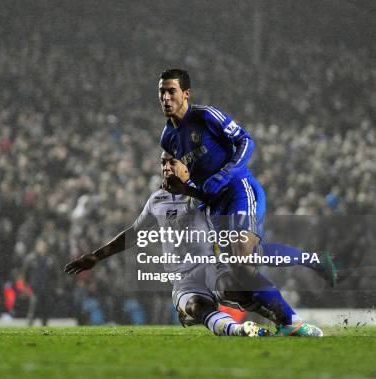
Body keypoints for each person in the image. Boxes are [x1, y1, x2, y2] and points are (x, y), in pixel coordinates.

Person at [66, 152, 321, 336]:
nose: (166, 167)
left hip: (212, 266)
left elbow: (225, 199)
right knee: (196, 307)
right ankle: (241, 331)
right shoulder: (157, 200)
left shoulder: (206, 191)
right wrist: (96, 256)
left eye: (172, 162)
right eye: (163, 163)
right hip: (183, 279)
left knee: (232, 288)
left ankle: (290, 322)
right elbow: (133, 232)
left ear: (187, 167)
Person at [157, 68, 332, 335]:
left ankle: (310, 263)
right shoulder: (167, 138)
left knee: (242, 255)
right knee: (235, 280)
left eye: (171, 91)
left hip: (239, 189)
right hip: (212, 205)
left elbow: (246, 140)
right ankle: (290, 322)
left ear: (186, 94)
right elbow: (190, 181)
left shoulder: (205, 116)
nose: (166, 97)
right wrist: (184, 189)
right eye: (162, 92)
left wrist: (226, 173)